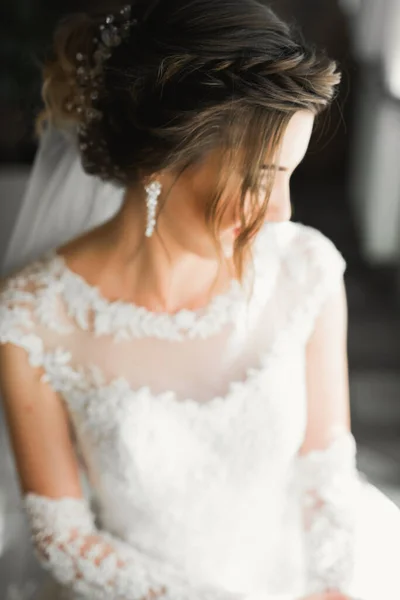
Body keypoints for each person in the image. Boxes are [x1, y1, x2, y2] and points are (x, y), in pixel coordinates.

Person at [0, 1, 400, 599]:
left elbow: (325, 463)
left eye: (290, 174)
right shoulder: (31, 318)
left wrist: (334, 588)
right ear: (161, 164)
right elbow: (63, 535)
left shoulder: (305, 267)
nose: (283, 211)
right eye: (260, 177)